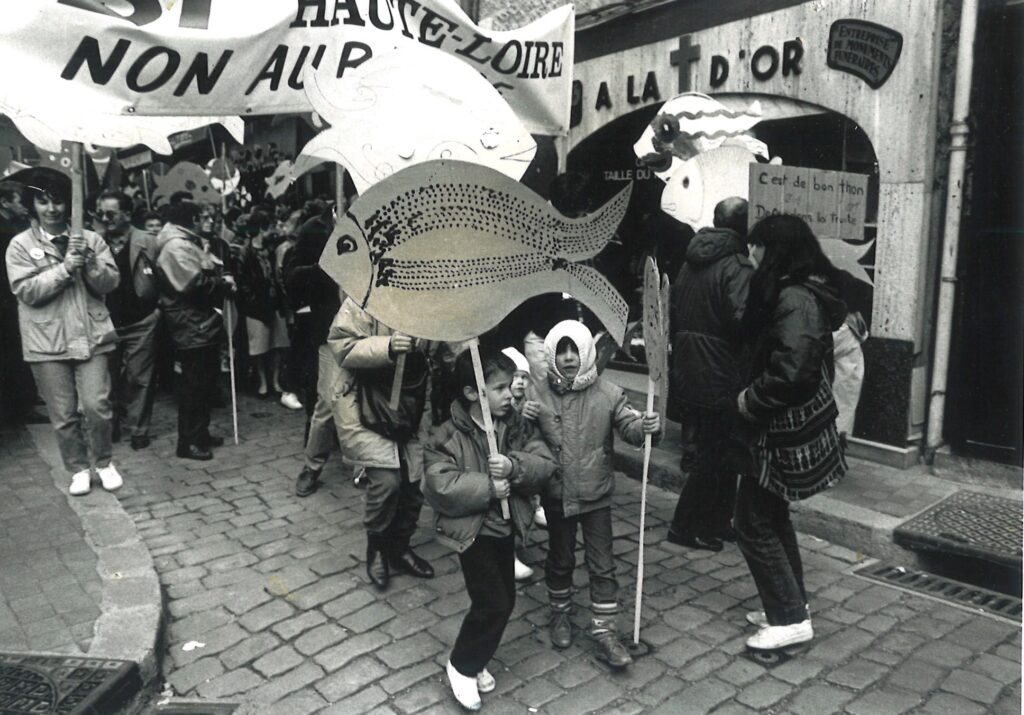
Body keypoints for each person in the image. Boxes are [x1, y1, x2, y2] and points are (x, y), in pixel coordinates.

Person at [735, 215, 848, 651]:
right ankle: (789, 604)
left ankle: (789, 617)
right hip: (778, 427)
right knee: (770, 515)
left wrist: (751, 400)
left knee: (751, 521)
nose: (752, 255)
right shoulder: (796, 290)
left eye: (758, 246)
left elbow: (793, 371)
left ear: (775, 250)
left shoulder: (796, 297)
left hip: (775, 428)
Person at [424, 348, 557, 711]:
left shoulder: (514, 425)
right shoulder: (447, 435)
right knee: (492, 601)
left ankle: (478, 657)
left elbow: (544, 462)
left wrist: (514, 467)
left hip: (504, 528)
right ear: (472, 393)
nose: (509, 393)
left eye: (510, 384)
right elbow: (439, 484)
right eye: (498, 388)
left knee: (507, 599)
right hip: (473, 532)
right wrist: (487, 487)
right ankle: (462, 666)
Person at [525, 319, 660, 668]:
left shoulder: (609, 393)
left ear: (586, 351)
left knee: (603, 564)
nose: (569, 357)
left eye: (575, 349)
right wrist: (519, 416)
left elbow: (629, 427)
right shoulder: (537, 395)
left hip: (596, 494)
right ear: (552, 353)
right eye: (561, 350)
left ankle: (604, 630)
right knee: (561, 558)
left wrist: (645, 427)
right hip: (557, 494)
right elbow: (523, 439)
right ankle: (560, 613)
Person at [5, 170, 123, 495]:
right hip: (46, 340)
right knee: (63, 414)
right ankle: (77, 468)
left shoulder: (91, 239)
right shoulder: (20, 246)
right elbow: (26, 290)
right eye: (43, 201)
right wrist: (65, 268)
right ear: (33, 204)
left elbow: (111, 283)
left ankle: (103, 461)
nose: (51, 209)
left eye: (57, 201)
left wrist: (88, 264)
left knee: (96, 405)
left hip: (92, 333)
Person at [328, 297, 435, 591]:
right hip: (364, 403)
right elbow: (342, 345)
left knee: (415, 483)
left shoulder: (429, 299)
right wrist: (386, 346)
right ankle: (376, 547)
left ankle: (399, 547)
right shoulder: (363, 297)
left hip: (409, 405)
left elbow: (443, 349)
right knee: (387, 481)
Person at [666, 197, 754, 552]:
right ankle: (684, 526)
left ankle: (717, 520)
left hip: (691, 368)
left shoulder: (691, 261)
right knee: (714, 454)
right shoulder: (737, 267)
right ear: (743, 227)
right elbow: (744, 321)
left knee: (718, 449)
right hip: (721, 372)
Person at [155, 200, 235, 461]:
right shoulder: (176, 246)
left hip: (200, 323)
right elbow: (194, 284)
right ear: (189, 219)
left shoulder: (189, 241)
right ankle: (188, 441)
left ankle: (200, 433)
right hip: (191, 323)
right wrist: (221, 284)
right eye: (203, 216)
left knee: (204, 383)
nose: (208, 221)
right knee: (194, 386)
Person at [286, 201, 345, 496]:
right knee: (327, 399)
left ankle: (365, 464)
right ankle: (312, 466)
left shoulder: (375, 218)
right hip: (330, 327)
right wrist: (324, 269)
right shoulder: (314, 228)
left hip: (369, 324)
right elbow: (292, 275)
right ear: (344, 199)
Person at [94, 190, 160, 450]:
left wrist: (158, 310)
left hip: (142, 321)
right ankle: (111, 424)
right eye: (100, 213)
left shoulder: (148, 241)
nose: (104, 218)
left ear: (127, 215)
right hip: (106, 322)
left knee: (139, 378)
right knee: (105, 378)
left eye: (110, 213)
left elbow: (163, 277)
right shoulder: (96, 242)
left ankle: (139, 429)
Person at [0, 179, 46, 425]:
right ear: (5, 202)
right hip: (7, 300)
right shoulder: (6, 231)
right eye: (20, 201)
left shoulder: (12, 225)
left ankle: (25, 401)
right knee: (14, 354)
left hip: (9, 298)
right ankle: (22, 406)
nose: (25, 206)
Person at [501, 346, 547, 581]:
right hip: (503, 469)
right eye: (514, 377)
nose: (519, 383)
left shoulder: (527, 402)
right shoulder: (499, 404)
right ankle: (508, 555)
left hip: (520, 469)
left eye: (523, 378)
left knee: (522, 508)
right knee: (507, 512)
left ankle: (535, 509)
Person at [237, 210, 289, 397]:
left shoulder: (272, 249)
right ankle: (263, 381)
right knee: (259, 346)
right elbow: (243, 281)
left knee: (278, 344)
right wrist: (252, 301)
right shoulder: (245, 252)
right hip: (257, 306)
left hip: (274, 303)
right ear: (261, 229)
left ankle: (274, 381)